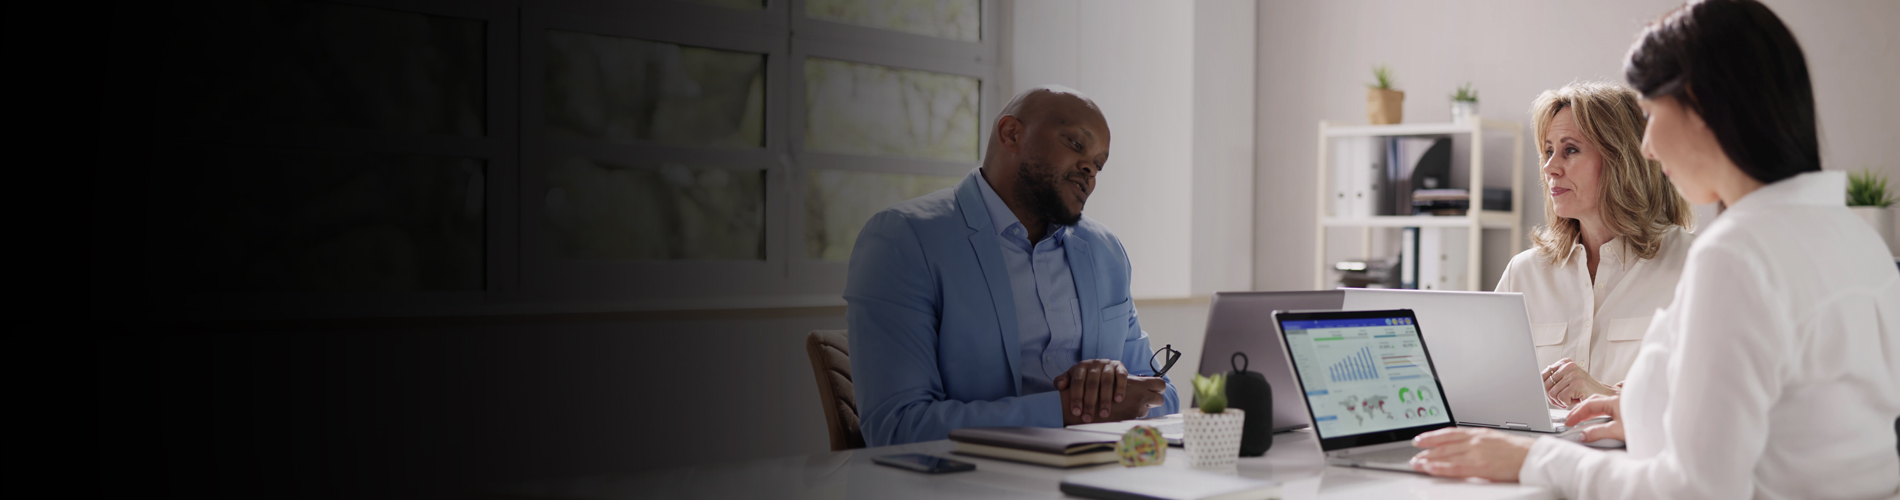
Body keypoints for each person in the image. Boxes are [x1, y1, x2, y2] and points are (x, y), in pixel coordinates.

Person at [1409, 1, 1900, 497]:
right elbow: (1796, 425)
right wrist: (1646, 414)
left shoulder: (1735, 255)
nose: (1647, 147)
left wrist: (1537, 458)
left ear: (1704, 107)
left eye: (1650, 114)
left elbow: (1691, 490)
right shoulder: (1858, 240)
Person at [846, 85, 1180, 446]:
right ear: (1011, 134)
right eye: (1076, 144)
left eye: (1099, 164)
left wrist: (1112, 385)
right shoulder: (904, 239)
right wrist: (1065, 411)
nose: (1090, 168)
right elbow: (896, 427)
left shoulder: (1106, 251)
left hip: (1098, 479)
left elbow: (1163, 396)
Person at [1495, 81, 1694, 410]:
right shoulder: (1524, 273)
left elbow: (1702, 409)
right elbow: (1489, 392)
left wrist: (1603, 396)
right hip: (1539, 459)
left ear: (1622, 158)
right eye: (1547, 151)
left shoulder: (1691, 265)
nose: (1550, 168)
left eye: (1570, 150)